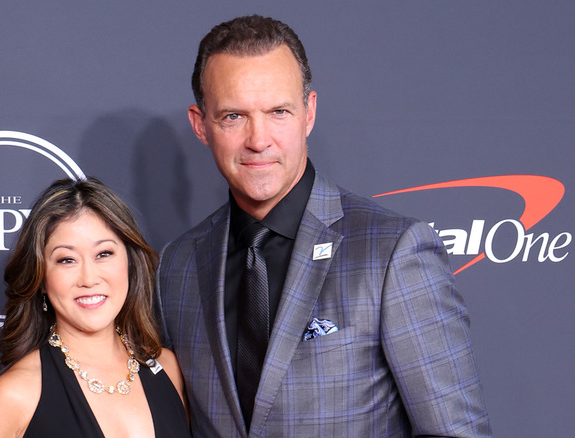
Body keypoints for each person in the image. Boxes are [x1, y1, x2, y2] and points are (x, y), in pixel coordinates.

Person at [154, 15, 491, 437]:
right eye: (234, 116)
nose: (259, 140)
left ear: (308, 113)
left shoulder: (393, 252)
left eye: (278, 111)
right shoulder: (177, 266)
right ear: (201, 125)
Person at [0, 177, 190, 437]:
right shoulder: (14, 396)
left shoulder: (168, 369)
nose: (89, 279)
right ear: (42, 280)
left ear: (129, 261)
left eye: (104, 254)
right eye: (66, 260)